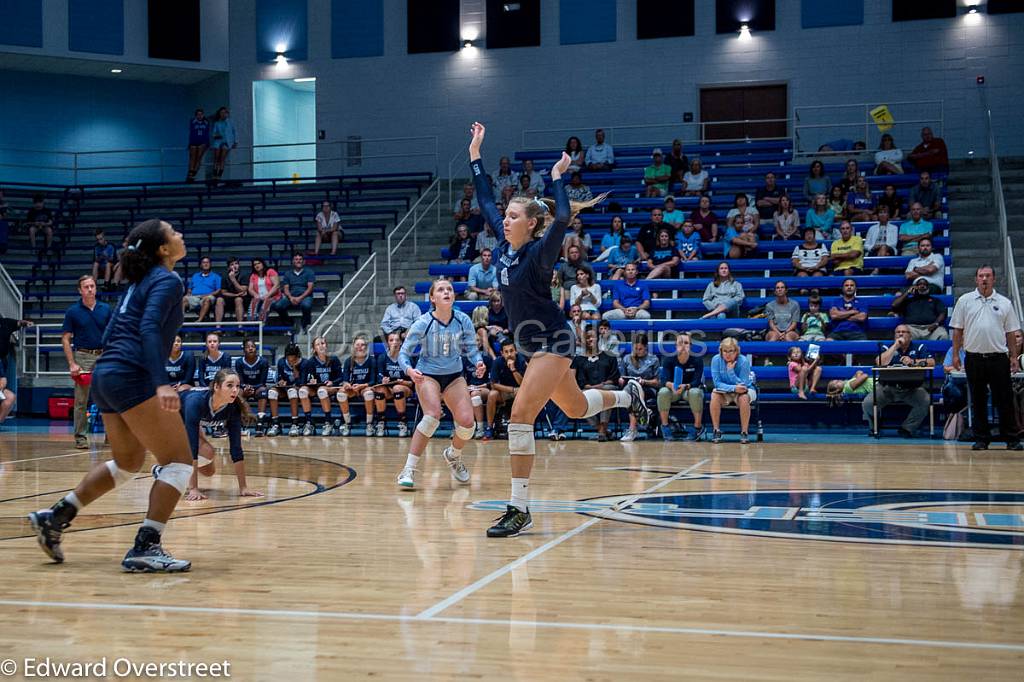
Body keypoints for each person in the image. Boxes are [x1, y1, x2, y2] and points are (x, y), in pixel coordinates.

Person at [468, 121, 648, 537]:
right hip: (533, 345)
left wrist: (557, 178)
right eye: (506, 215)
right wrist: (476, 153)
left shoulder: (539, 253)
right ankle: (628, 394)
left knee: (519, 417)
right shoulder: (502, 245)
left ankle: (519, 507)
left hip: (554, 340)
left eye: (513, 216)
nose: (505, 219)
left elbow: (563, 214)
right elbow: (484, 199)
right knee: (575, 408)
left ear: (531, 224)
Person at [29, 218, 194, 572]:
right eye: (173, 232)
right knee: (179, 463)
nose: (180, 234)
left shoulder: (140, 283)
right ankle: (145, 546)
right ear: (163, 249)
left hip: (106, 374)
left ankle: (56, 517)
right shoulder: (167, 280)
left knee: (127, 463)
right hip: (131, 376)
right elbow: (149, 327)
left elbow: (118, 332)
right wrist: (161, 381)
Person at [396, 278, 486, 489]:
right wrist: (409, 370)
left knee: (467, 423)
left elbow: (472, 350)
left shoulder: (463, 319)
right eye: (441, 289)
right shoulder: (422, 322)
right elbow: (403, 354)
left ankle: (453, 455)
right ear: (432, 298)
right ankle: (408, 469)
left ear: (454, 296)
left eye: (450, 289)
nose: (446, 292)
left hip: (454, 375)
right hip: (428, 375)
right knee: (432, 416)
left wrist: (479, 362)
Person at [950, 265, 1022, 450]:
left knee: (1004, 399)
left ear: (994, 279)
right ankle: (981, 438)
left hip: (998, 358)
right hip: (974, 358)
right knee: (978, 399)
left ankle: (1012, 439)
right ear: (976, 279)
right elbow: (958, 330)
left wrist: (1014, 357)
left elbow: (1011, 333)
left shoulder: (1005, 302)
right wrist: (956, 354)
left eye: (988, 276)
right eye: (981, 276)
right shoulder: (965, 301)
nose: (984, 279)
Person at [166, 368, 263, 501]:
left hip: (189, 420)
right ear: (217, 386)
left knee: (209, 469)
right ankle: (165, 470)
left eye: (237, 386)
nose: (235, 390)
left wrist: (243, 488)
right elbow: (192, 447)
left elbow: (236, 449)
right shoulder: (196, 402)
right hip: (170, 419)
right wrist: (194, 488)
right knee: (196, 449)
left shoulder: (232, 408)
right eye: (229, 385)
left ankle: (173, 470)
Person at [61, 274, 113, 449]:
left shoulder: (106, 309)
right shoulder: (72, 312)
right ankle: (81, 438)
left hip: (104, 356)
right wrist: (72, 363)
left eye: (92, 286)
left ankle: (111, 436)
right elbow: (66, 339)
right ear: (80, 290)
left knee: (109, 398)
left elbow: (113, 335)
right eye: (86, 287)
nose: (90, 289)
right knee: (81, 401)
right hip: (83, 356)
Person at [864, 325, 935, 437]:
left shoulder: (920, 347)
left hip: (912, 389)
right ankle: (875, 427)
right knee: (868, 403)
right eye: (898, 332)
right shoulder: (888, 347)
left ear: (910, 336)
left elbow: (931, 362)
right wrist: (895, 346)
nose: (901, 334)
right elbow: (879, 362)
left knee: (926, 400)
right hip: (887, 388)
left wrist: (913, 361)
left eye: (904, 332)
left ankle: (907, 428)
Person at [657, 333, 704, 441]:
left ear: (690, 346)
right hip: (674, 390)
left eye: (686, 343)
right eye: (680, 343)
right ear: (675, 346)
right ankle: (665, 427)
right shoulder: (669, 359)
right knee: (663, 391)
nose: (683, 346)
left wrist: (686, 386)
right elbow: (663, 380)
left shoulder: (697, 360)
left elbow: (697, 381)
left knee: (695, 392)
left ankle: (697, 427)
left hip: (689, 390)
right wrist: (671, 385)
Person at [709, 337, 755, 444]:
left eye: (731, 351)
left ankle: (744, 432)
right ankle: (716, 430)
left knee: (744, 398)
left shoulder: (743, 361)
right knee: (714, 395)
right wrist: (733, 388)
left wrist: (731, 372)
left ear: (736, 351)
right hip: (726, 391)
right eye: (725, 351)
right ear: (721, 351)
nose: (727, 354)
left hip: (745, 390)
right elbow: (717, 383)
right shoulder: (716, 360)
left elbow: (743, 385)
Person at [618, 334, 660, 442]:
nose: (637, 351)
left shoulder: (653, 359)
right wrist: (621, 380)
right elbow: (622, 377)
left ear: (646, 347)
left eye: (640, 349)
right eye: (635, 348)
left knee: (632, 394)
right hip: (630, 388)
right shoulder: (627, 359)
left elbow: (657, 382)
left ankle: (632, 429)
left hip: (648, 389)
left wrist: (644, 381)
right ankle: (642, 416)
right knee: (632, 390)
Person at [373, 331, 414, 438]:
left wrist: (404, 382)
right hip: (389, 389)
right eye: (391, 340)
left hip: (406, 388)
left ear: (401, 343)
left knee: (397, 387)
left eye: (397, 340)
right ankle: (381, 422)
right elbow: (379, 376)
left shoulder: (407, 357)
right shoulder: (382, 357)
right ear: (387, 343)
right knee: (379, 389)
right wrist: (383, 380)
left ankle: (403, 422)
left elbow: (413, 381)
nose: (394, 343)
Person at [486, 338, 528, 440]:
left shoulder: (521, 360)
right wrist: (512, 390)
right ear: (502, 353)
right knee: (492, 394)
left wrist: (513, 369)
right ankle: (490, 427)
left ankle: (523, 427)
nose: (509, 354)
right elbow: (493, 384)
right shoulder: (497, 362)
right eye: (506, 352)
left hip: (520, 392)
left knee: (524, 393)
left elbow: (523, 384)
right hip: (505, 392)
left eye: (511, 351)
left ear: (516, 351)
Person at [335, 336, 375, 436]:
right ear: (353, 347)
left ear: (366, 347)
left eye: (362, 345)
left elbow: (373, 381)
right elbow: (345, 379)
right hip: (353, 389)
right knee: (340, 393)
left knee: (369, 393)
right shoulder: (349, 361)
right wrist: (347, 385)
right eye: (357, 345)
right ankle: (347, 423)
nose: (360, 347)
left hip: (365, 388)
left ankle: (369, 424)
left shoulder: (372, 360)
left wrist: (362, 386)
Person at [265, 343, 304, 437]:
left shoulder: (304, 363)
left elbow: (302, 382)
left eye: (293, 359)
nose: (291, 361)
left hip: (297, 389)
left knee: (292, 391)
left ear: (298, 357)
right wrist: (281, 382)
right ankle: (275, 424)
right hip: (284, 389)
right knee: (272, 392)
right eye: (289, 359)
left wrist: (295, 368)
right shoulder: (281, 362)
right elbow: (278, 378)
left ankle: (295, 424)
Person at [272, 252, 316, 334]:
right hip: (291, 296)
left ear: (303, 261)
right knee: (278, 306)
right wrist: (291, 297)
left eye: (300, 259)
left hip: (305, 295)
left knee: (306, 305)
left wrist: (300, 298)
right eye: (296, 259)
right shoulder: (288, 273)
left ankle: (305, 325)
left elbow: (310, 288)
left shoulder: (309, 272)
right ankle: (289, 324)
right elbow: (286, 288)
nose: (298, 261)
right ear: (293, 261)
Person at [233, 338, 270, 435]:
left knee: (264, 390)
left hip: (258, 387)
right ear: (244, 349)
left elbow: (263, 382)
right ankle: (242, 422)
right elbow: (240, 381)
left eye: (253, 347)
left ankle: (260, 422)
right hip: (244, 387)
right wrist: (245, 387)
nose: (250, 349)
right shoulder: (239, 362)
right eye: (248, 347)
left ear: (256, 349)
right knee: (237, 392)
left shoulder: (263, 361)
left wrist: (252, 388)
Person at [182, 256, 222, 322]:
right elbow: (190, 288)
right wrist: (188, 294)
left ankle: (199, 321)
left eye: (207, 262)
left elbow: (218, 290)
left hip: (209, 296)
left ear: (210, 264)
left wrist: (207, 295)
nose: (206, 264)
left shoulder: (216, 276)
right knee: (183, 299)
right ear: (200, 265)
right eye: (204, 262)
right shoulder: (195, 275)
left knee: (207, 299)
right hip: (195, 297)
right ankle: (180, 322)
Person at [248, 257, 280, 322]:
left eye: (258, 263)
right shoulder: (253, 275)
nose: (257, 265)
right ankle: (251, 327)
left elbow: (276, 285)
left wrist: (267, 295)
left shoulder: (270, 271)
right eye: (255, 264)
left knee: (264, 308)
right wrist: (255, 295)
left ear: (263, 264)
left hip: (272, 297)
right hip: (259, 297)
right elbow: (250, 289)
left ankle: (261, 326)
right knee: (252, 310)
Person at [209, 106, 237, 182]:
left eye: (224, 112)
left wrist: (235, 142)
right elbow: (213, 134)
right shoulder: (217, 123)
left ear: (227, 113)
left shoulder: (230, 122)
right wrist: (217, 135)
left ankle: (219, 175)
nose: (223, 114)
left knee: (222, 159)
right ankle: (214, 174)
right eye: (221, 113)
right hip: (218, 141)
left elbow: (234, 132)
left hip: (226, 142)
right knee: (216, 158)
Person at [941, 345, 968, 417]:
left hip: (973, 381)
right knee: (952, 390)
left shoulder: (975, 349)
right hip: (956, 381)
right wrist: (959, 367)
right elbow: (945, 368)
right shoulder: (953, 350)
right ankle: (955, 420)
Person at [220, 257, 249, 322]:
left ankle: (240, 328)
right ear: (228, 267)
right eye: (232, 264)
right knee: (219, 300)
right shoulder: (225, 276)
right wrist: (235, 295)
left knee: (238, 299)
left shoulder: (244, 275)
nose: (235, 266)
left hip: (243, 300)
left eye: (236, 264)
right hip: (229, 299)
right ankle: (218, 328)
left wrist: (233, 279)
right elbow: (223, 292)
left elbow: (242, 290)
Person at [186, 108, 210, 182]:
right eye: (198, 114)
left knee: (199, 158)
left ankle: (194, 173)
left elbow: (207, 133)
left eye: (201, 114)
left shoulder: (206, 122)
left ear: (203, 115)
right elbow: (191, 132)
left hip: (202, 142)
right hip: (194, 142)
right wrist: (190, 143)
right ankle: (190, 173)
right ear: (196, 115)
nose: (200, 116)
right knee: (192, 157)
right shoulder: (193, 121)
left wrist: (207, 143)